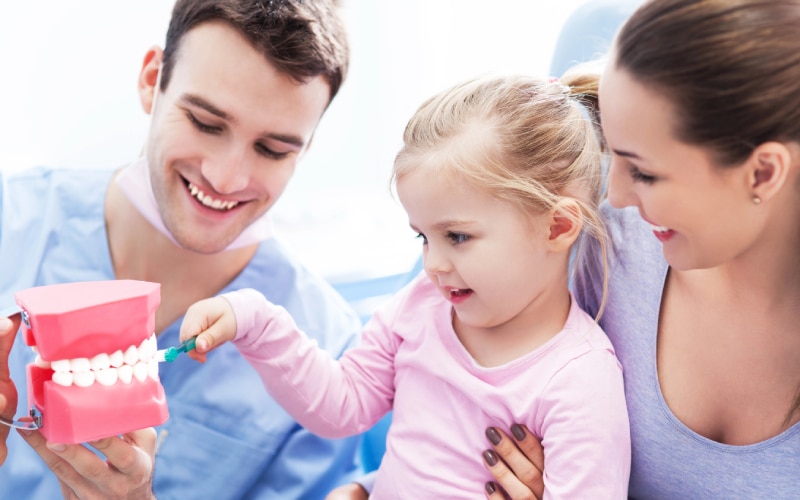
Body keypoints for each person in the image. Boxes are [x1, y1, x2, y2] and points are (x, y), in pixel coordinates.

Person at [179, 74, 632, 498]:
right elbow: (342, 404)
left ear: (557, 226)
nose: (432, 264)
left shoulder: (578, 381)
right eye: (423, 236)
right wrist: (255, 322)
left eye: (457, 237)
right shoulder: (420, 307)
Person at [0, 0, 366, 498]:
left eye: (273, 149)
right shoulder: (11, 221)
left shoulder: (331, 361)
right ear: (152, 80)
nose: (226, 177)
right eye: (205, 123)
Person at [477, 0, 800, 498]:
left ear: (763, 173)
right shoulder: (597, 242)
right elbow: (446, 394)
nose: (619, 196)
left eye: (645, 172)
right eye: (617, 158)